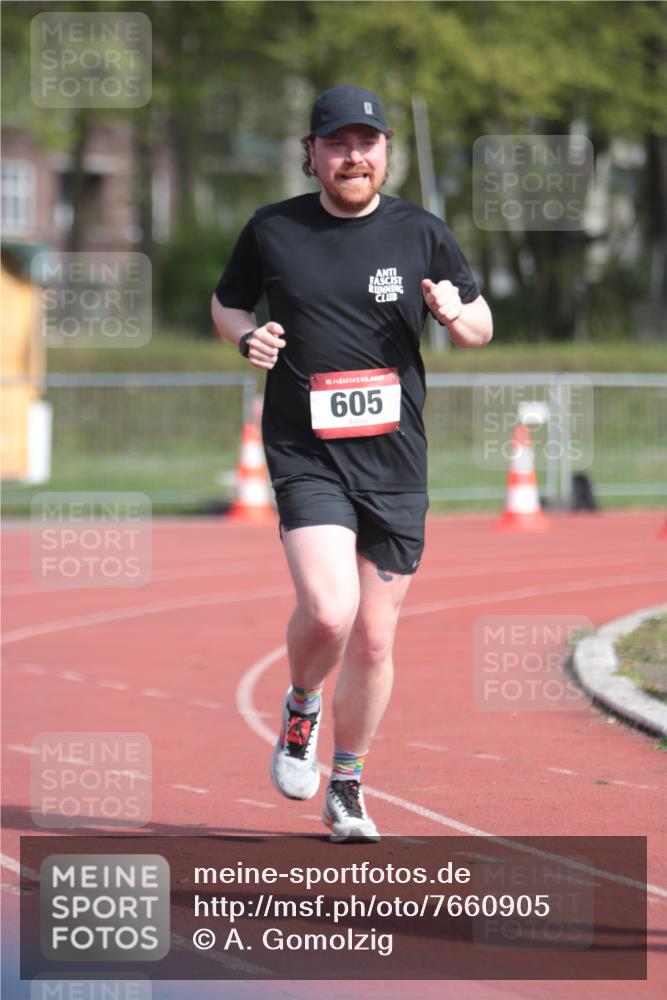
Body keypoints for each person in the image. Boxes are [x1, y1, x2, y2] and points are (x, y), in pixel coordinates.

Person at [211, 84, 492, 843]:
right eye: (336, 144)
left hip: (395, 460)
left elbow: (479, 325)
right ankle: (302, 705)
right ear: (312, 154)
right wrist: (247, 337)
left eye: (366, 143)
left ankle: (347, 784)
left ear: (386, 151)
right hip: (306, 452)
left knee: (372, 638)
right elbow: (227, 303)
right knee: (331, 611)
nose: (353, 157)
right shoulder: (272, 229)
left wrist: (453, 314)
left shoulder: (421, 233)